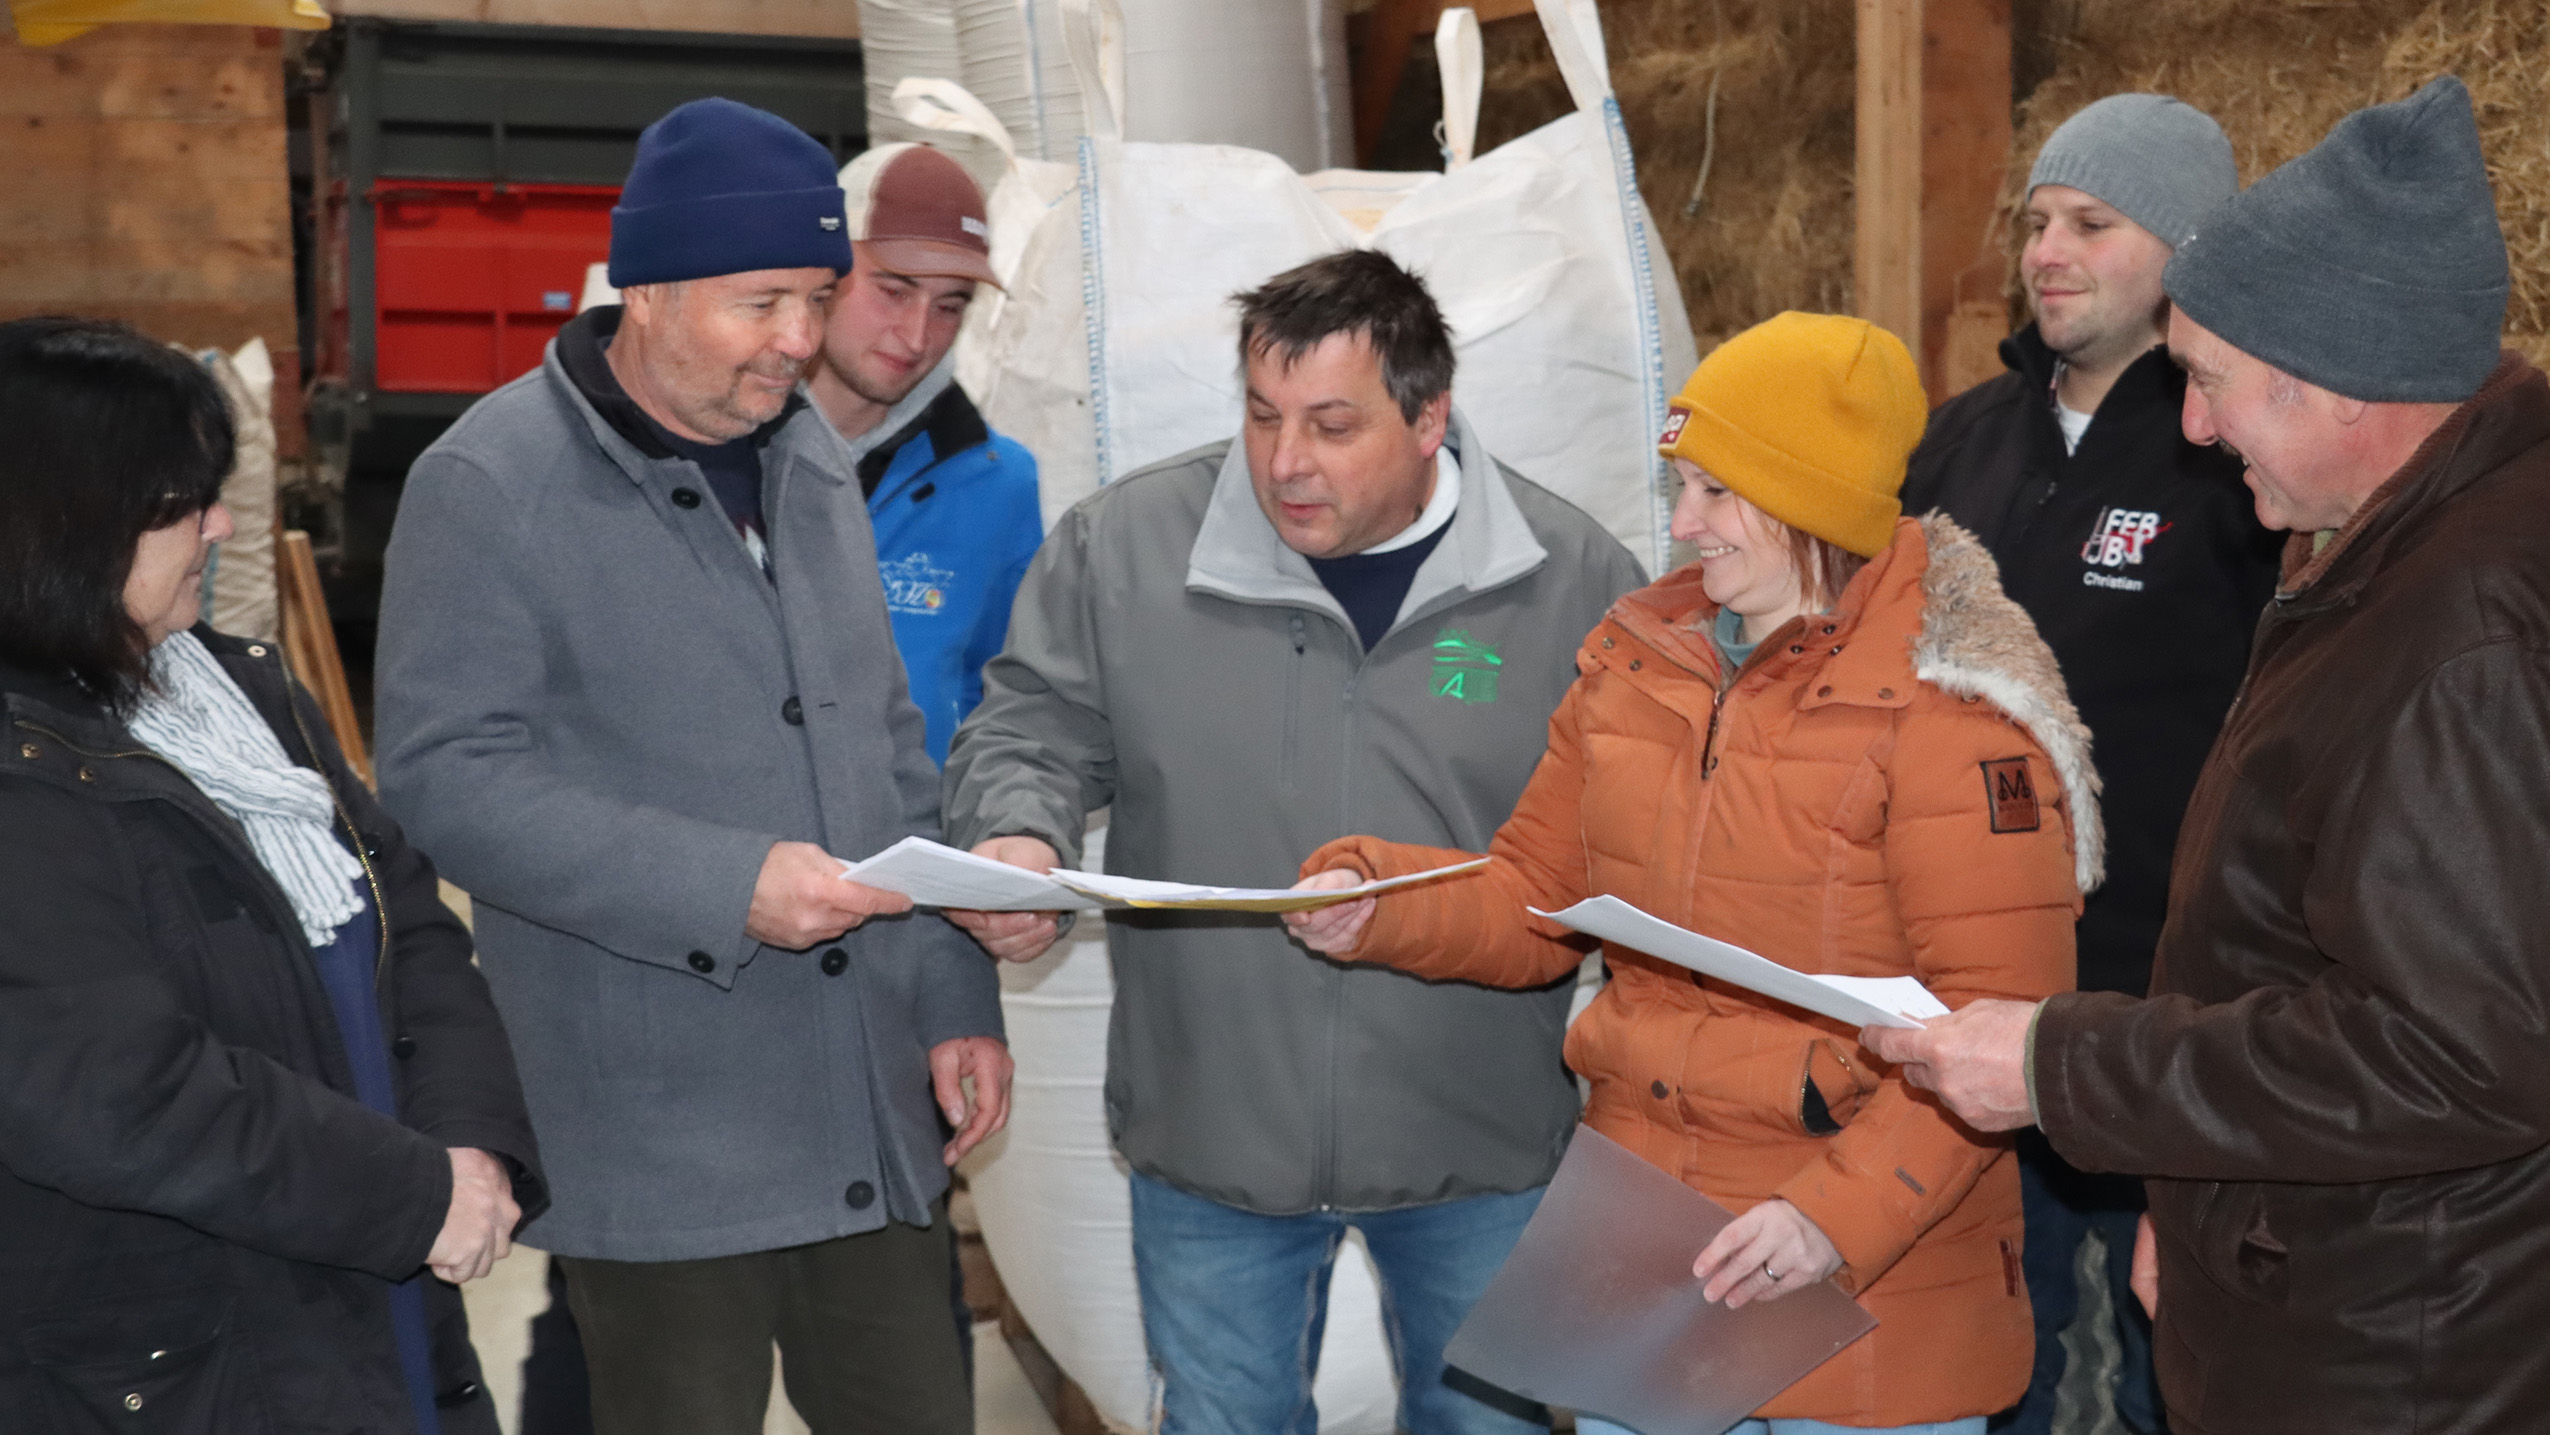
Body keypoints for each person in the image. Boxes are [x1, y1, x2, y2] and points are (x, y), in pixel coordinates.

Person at [1865, 77, 2550, 1434]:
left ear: (2331, 378)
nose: (2191, 427)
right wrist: (2194, 1189)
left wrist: (2067, 1065)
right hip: (2327, 1256)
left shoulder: (2460, 637)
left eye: (2209, 384)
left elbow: (2456, 1050)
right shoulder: (2391, 543)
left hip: (2399, 1340)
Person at [1290, 311, 2101, 1435]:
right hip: (1654, 1251)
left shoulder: (1952, 710)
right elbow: (1536, 892)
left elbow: (1996, 1033)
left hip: (1869, 1289)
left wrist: (1831, 1221)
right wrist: (1381, 901)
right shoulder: (1642, 658)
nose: (1683, 524)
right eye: (1683, 486)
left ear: (1808, 498)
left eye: (1718, 493)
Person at [373, 98, 1005, 1435]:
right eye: (761, 298)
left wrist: (956, 994)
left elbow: (888, 744)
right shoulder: (487, 483)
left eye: (814, 296)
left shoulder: (811, 465)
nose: (799, 338)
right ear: (649, 287)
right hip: (660, 1130)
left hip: (867, 1111)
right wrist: (726, 881)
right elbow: (445, 780)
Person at [941, 249, 1648, 1434]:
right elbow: (1033, 723)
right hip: (1218, 1131)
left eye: (1331, 423)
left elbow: (1642, 842)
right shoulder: (1126, 552)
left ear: (1431, 419)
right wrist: (1015, 830)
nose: (1284, 461)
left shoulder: (1569, 583)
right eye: (1264, 416)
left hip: (1475, 1137)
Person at [0, 316, 543, 1434]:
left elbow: (414, 929)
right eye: (181, 505)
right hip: (180, 1357)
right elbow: (121, 1093)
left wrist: (470, 1148)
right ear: (62, 522)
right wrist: (413, 1194)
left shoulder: (243, 697)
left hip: (374, 1300)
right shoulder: (24, 773)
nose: (223, 526)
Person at [1898, 94, 2276, 1435]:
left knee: (2169, 1358)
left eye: (2091, 224)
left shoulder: (2236, 458)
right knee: (1995, 1352)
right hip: (1970, 995)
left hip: (2158, 1007)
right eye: (2035, 222)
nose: (2046, 251)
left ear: (2186, 247)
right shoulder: (1959, 441)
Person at [808, 140, 1042, 766]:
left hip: (910, 851)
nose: (917, 337)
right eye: (893, 290)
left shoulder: (1000, 484)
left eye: (949, 306)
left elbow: (1008, 707)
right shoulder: (723, 457)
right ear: (823, 268)